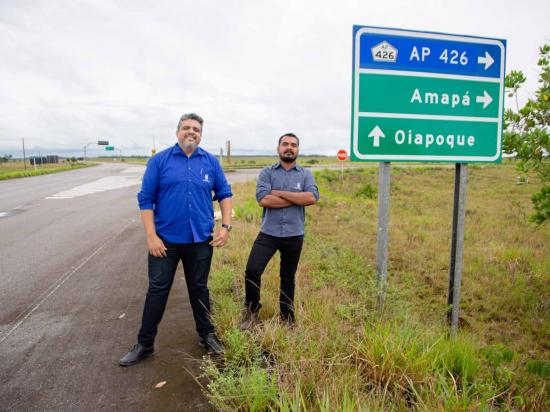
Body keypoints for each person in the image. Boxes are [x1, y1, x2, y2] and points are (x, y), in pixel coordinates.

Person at [120, 113, 233, 366]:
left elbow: (224, 193)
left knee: (199, 289)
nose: (191, 132)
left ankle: (207, 335)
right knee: (157, 291)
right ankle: (145, 344)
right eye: (186, 128)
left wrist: (225, 227)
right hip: (165, 242)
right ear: (177, 132)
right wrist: (151, 236)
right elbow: (145, 199)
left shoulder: (210, 162)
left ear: (201, 134)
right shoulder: (159, 161)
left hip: (200, 240)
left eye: (196, 129)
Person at [240, 133, 319, 330]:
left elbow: (311, 198)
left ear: (298, 150)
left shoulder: (305, 174)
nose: (289, 148)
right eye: (285, 144)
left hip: (294, 234)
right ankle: (251, 312)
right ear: (278, 148)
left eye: (293, 145)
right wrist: (296, 198)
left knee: (287, 276)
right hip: (269, 233)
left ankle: (287, 317)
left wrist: (280, 193)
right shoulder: (267, 172)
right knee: (252, 270)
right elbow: (263, 200)